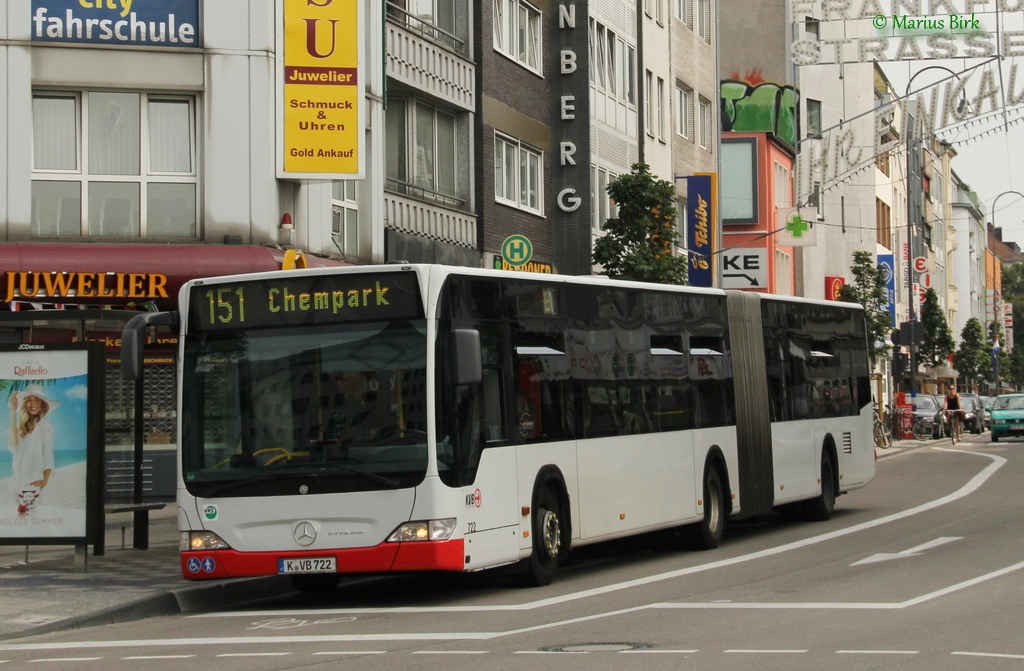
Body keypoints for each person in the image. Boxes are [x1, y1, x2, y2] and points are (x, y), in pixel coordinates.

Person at [7, 383, 59, 514]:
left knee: (31, 521)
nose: (33, 404)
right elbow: (14, 447)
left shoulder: (45, 426)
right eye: (29, 400)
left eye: (36, 400)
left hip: (32, 482)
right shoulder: (22, 424)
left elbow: (48, 456)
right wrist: (12, 412)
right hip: (15, 481)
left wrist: (44, 481)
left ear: (42, 404)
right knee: (14, 522)